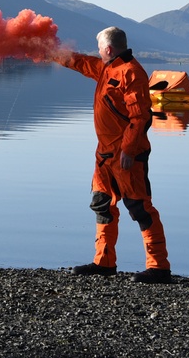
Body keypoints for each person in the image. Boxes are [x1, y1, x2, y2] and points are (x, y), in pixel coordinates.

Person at [52, 26, 172, 283]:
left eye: (99, 48)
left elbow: (140, 116)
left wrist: (128, 150)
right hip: (104, 156)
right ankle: (104, 262)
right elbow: (80, 62)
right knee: (102, 204)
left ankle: (159, 267)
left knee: (139, 207)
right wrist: (47, 51)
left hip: (127, 155)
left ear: (108, 48)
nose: (96, 52)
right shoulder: (106, 68)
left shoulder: (131, 73)